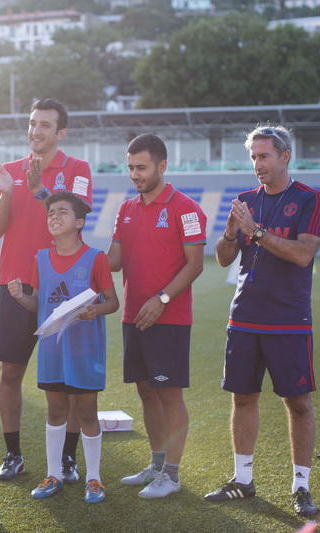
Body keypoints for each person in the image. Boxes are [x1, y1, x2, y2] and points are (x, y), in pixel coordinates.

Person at [205, 125, 320, 517]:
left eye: (264, 156)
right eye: (253, 157)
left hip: (289, 319)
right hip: (244, 318)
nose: (257, 164)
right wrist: (228, 231)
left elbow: (302, 255)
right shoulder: (243, 201)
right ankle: (243, 480)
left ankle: (302, 486)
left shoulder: (310, 199)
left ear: (285, 156)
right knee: (243, 397)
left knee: (298, 403)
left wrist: (255, 232)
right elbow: (224, 258)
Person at [0, 98, 93, 482]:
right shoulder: (8, 172)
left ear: (61, 132)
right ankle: (13, 456)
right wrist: (9, 193)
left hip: (62, 287)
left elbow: (72, 222)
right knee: (9, 374)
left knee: (69, 380)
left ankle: (67, 460)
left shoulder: (78, 170)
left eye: (45, 125)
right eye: (32, 123)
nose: (36, 131)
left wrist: (40, 190)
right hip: (14, 285)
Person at [107, 134, 206, 499]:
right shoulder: (125, 209)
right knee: (146, 393)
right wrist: (73, 248)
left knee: (169, 395)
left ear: (162, 166)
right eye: (130, 167)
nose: (135, 174)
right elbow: (113, 261)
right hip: (133, 316)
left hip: (169, 318)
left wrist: (162, 298)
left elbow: (195, 265)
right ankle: (156, 463)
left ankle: (173, 475)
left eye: (142, 167)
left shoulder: (187, 209)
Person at [8, 191, 119, 503]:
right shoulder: (40, 259)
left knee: (86, 412)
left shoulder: (95, 258)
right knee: (56, 409)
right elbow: (38, 304)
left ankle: (95, 478)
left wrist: (94, 310)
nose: (54, 216)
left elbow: (112, 302)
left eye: (62, 212)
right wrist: (20, 297)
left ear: (79, 222)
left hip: (85, 349)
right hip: (52, 350)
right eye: (50, 213)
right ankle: (53, 473)